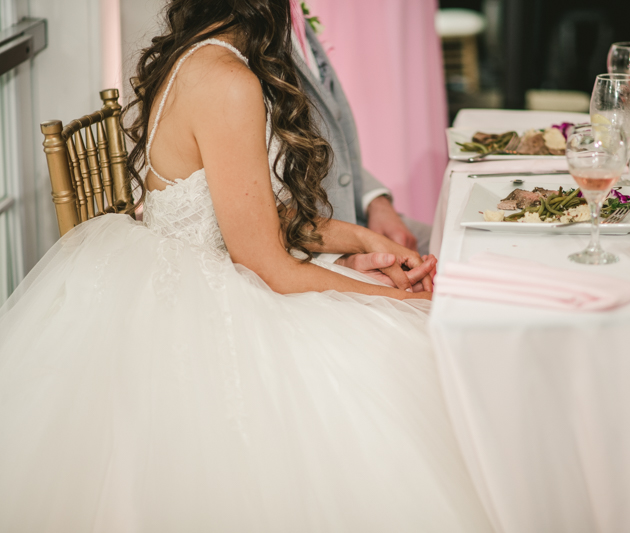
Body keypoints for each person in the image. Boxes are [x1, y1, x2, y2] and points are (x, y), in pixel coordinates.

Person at [0, 1, 493, 530]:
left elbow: (253, 216)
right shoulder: (227, 80)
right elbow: (267, 266)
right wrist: (402, 300)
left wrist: (367, 238)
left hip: (214, 268)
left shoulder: (204, 54)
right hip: (201, 306)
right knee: (411, 351)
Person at [287, 1, 438, 287]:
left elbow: (330, 139)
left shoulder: (294, 14)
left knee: (463, 248)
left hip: (354, 216)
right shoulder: (243, 35)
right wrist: (338, 263)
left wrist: (376, 201)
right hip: (305, 251)